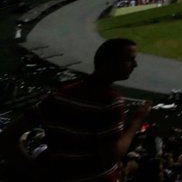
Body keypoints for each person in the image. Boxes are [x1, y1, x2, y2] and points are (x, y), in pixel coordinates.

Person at [2, 37, 152, 182]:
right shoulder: (110, 102)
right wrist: (136, 122)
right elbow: (111, 158)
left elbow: (8, 135)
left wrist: (36, 173)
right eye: (129, 59)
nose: (135, 64)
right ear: (110, 62)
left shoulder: (60, 94)